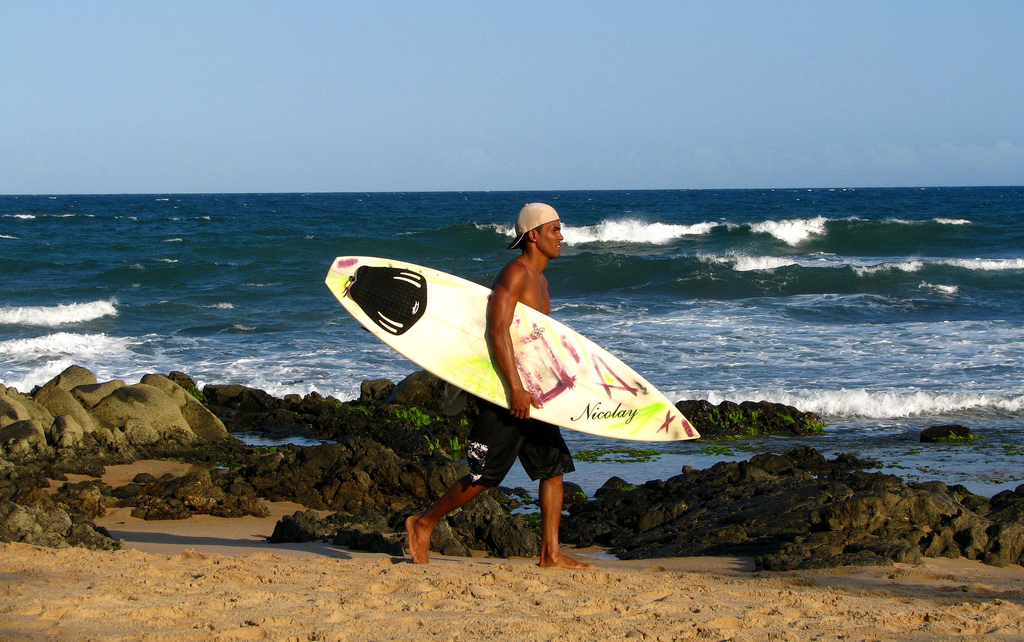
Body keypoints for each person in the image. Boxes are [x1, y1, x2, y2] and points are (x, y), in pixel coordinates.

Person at [406, 203, 594, 570]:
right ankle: (423, 523)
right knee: (485, 476)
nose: (561, 236)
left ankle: (550, 554)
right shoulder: (516, 274)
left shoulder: (541, 280)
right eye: (555, 229)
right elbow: (497, 330)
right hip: (507, 394)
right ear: (534, 235)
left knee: (552, 468)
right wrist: (514, 388)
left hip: (532, 392)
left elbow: (534, 341)